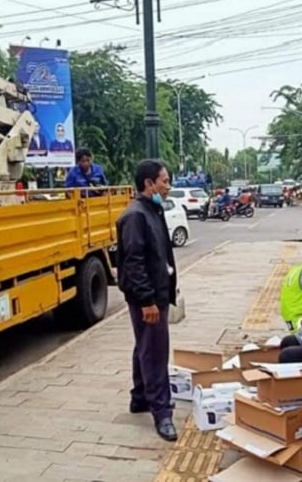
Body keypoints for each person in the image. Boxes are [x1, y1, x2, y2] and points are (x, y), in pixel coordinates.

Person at [116, 159, 178, 442]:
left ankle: (140, 396)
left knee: (145, 344)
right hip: (148, 297)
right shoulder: (135, 216)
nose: (168, 187)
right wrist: (147, 301)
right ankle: (161, 412)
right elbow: (134, 262)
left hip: (157, 293)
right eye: (164, 181)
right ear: (148, 183)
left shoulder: (153, 210)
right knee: (155, 351)